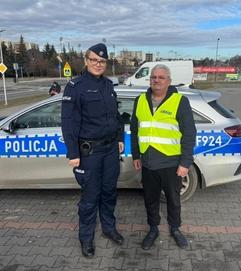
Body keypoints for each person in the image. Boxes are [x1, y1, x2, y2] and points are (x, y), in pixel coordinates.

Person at [61, 43, 125, 258]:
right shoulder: (75, 86)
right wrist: (73, 153)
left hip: (110, 150)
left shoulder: (108, 85)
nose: (98, 64)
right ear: (86, 61)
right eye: (94, 60)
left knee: (109, 193)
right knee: (90, 197)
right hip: (89, 152)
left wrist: (119, 138)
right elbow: (68, 122)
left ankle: (108, 228)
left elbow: (116, 115)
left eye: (102, 61)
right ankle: (86, 238)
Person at [130, 64, 196, 250]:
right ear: (149, 80)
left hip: (171, 162)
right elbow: (135, 130)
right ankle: (153, 228)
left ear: (169, 81)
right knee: (150, 199)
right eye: (153, 77)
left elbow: (189, 133)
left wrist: (185, 163)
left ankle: (175, 228)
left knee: (173, 199)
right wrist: (136, 155)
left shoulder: (179, 101)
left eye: (161, 77)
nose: (156, 80)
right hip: (148, 162)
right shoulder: (140, 100)